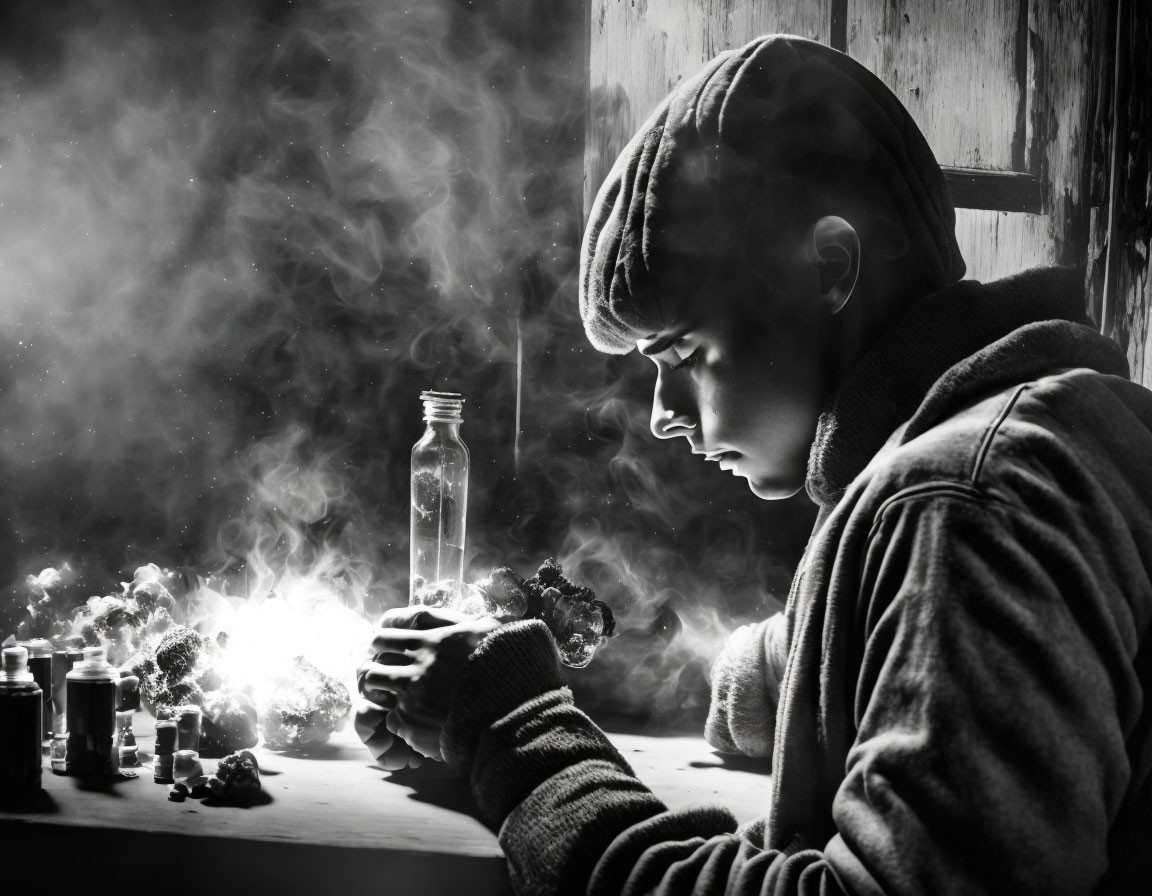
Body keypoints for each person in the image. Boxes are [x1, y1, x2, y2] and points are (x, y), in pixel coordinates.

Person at [356, 34, 1152, 895]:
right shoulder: (1027, 447)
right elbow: (855, 663)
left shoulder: (961, 504)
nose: (662, 417)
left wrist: (519, 730)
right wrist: (634, 668)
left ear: (829, 268)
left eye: (685, 352)